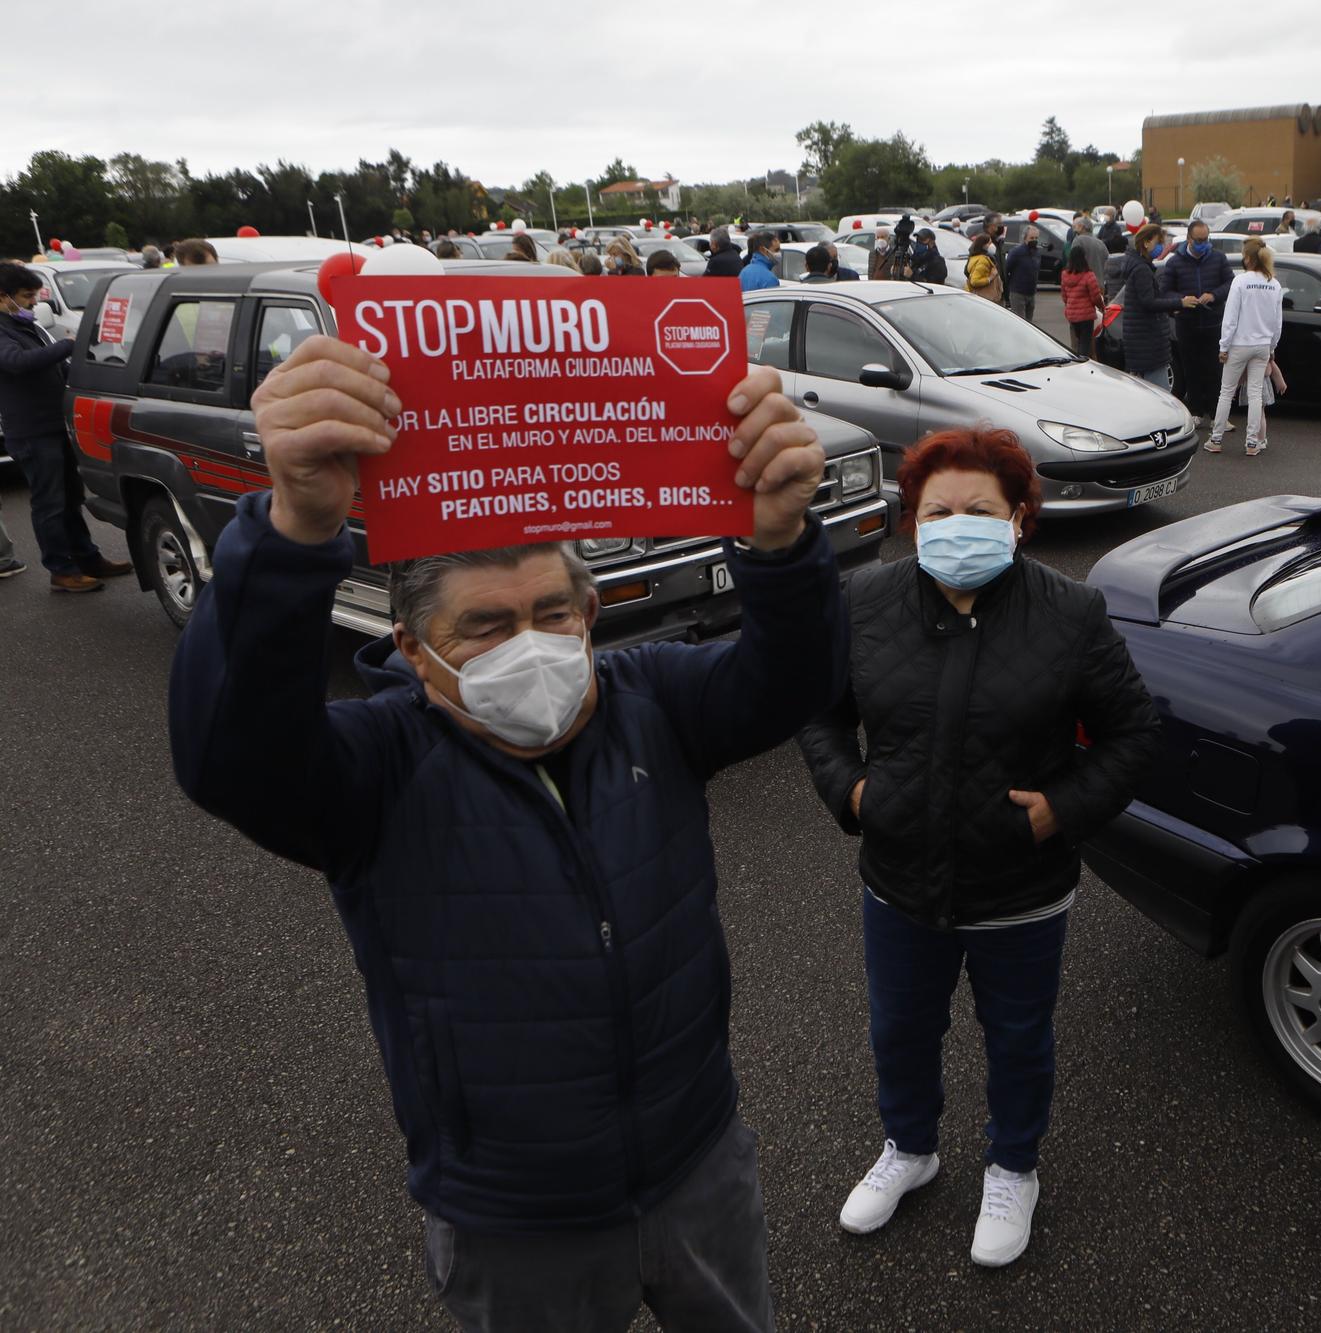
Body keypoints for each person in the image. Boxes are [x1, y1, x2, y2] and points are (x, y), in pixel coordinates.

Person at [168, 339, 843, 1333]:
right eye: (483, 627)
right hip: (517, 1216)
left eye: (550, 612)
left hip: (697, 1158)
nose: (528, 645)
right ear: (411, 648)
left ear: (588, 611)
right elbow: (233, 758)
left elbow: (791, 682)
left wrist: (779, 548)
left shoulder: (651, 700)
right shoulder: (376, 767)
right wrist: (292, 534)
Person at [798, 427, 1158, 1269]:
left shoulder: (1069, 613)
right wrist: (851, 791)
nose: (956, 524)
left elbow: (1132, 734)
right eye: (938, 511)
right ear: (911, 520)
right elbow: (817, 713)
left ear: (1020, 519)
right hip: (898, 880)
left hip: (1021, 887)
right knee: (900, 1027)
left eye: (980, 510)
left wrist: (1059, 810)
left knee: (1019, 1035)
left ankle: (1014, 1164)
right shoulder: (867, 602)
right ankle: (910, 1147)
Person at [0, 263, 131, 592]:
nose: (32, 303)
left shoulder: (26, 326)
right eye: (26, 297)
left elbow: (53, 363)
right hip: (31, 431)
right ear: (3, 298)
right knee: (49, 503)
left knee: (71, 497)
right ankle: (60, 568)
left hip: (56, 424)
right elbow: (17, 363)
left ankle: (87, 558)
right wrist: (67, 344)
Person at [1208, 237, 1282, 457]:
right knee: (1255, 395)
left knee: (1226, 393)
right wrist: (1272, 347)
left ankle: (1216, 439)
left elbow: (1230, 317)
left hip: (1240, 344)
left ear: (1248, 259)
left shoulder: (1240, 281)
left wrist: (1224, 345)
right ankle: (1252, 443)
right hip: (1262, 345)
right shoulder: (1274, 284)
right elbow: (1277, 322)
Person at [1159, 221, 1232, 429]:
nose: (1203, 244)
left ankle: (1218, 416)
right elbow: (1166, 291)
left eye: (1206, 239)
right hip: (1187, 323)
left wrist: (1214, 295)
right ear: (1189, 239)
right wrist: (1182, 299)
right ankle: (1196, 411)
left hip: (1213, 323)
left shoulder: (1218, 258)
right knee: (1191, 370)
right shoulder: (1175, 262)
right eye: (1199, 240)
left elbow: (1230, 284)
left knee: (1215, 370)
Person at [1118, 223, 1198, 391]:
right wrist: (1180, 302)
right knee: (1161, 394)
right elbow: (1149, 302)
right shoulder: (1141, 270)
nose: (1161, 246)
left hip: (1141, 342)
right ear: (1146, 243)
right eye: (1158, 242)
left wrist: (1170, 307)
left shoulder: (1137, 265)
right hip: (1149, 345)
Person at [1059, 244, 1103, 359]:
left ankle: (1079, 358)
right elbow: (1095, 297)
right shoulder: (1089, 275)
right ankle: (1082, 362)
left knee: (1078, 340)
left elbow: (1064, 296)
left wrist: (1070, 306)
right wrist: (1102, 307)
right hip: (1086, 315)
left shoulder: (1064, 275)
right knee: (1085, 342)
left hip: (1072, 315)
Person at [1003, 225, 1040, 320]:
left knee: (1029, 323)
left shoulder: (1036, 252)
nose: (1034, 240)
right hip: (1018, 293)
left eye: (1036, 238)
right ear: (1025, 238)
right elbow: (1006, 269)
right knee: (1020, 322)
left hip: (1031, 293)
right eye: (1031, 238)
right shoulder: (1016, 252)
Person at [1067, 220, 1108, 288]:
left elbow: (1073, 262)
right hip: (1100, 285)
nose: (1075, 227)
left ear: (1082, 227)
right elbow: (1107, 262)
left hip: (1083, 285)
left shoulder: (1078, 240)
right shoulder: (1100, 243)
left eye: (1077, 225)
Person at [965, 234, 1003, 302]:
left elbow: (966, 272)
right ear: (983, 245)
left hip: (979, 296)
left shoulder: (974, 257)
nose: (992, 245)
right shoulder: (983, 260)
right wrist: (990, 278)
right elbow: (974, 281)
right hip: (985, 296)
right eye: (989, 243)